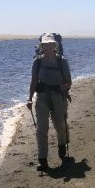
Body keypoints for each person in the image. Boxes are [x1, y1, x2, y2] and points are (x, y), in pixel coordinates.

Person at [26, 33, 72, 171]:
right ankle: (42, 160)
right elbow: (34, 81)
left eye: (50, 44)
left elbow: (69, 82)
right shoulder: (37, 62)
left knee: (60, 126)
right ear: (42, 46)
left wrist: (62, 88)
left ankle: (62, 151)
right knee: (41, 128)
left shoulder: (61, 61)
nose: (48, 47)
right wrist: (29, 98)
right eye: (45, 45)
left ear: (54, 46)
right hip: (41, 98)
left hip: (58, 97)